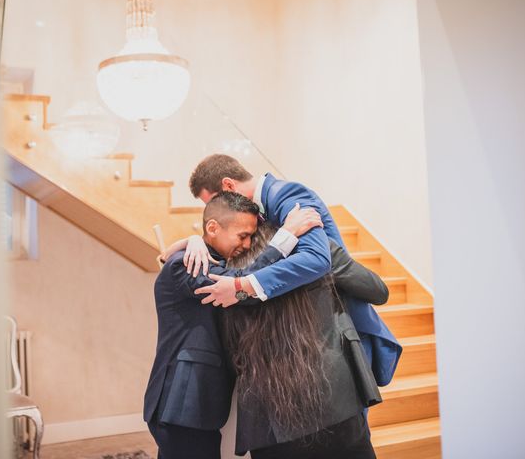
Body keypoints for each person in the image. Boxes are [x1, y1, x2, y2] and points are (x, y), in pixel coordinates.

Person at [188, 154, 401, 386]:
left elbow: (317, 259)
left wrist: (244, 286)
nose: (216, 210)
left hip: (340, 331)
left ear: (229, 185)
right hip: (305, 335)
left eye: (215, 201)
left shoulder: (288, 195)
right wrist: (193, 240)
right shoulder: (256, 212)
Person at [143, 192, 323, 459]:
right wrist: (285, 237)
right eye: (242, 236)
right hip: (181, 401)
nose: (248, 244)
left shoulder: (209, 259)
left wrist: (191, 239)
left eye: (252, 236)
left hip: (195, 405)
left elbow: (238, 289)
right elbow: (240, 286)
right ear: (213, 228)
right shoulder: (186, 263)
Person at [222, 223, 388, 458]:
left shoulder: (233, 269)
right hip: (335, 401)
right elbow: (378, 291)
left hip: (269, 419)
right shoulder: (316, 251)